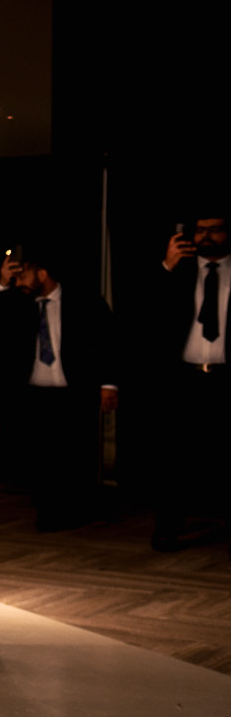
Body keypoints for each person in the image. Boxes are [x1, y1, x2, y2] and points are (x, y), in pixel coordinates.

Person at [0, 243, 116, 532]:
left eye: (23, 275)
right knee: (39, 455)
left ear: (43, 274)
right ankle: (47, 511)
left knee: (75, 453)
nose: (18, 282)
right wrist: (2, 284)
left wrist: (109, 383)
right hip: (34, 392)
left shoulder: (83, 301)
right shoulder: (20, 303)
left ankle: (76, 510)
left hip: (74, 390)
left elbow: (107, 342)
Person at [149, 210, 230, 553]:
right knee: (175, 457)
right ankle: (168, 527)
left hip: (226, 378)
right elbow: (146, 312)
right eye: (200, 230)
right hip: (185, 380)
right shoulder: (178, 273)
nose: (206, 236)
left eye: (214, 230)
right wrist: (167, 266)